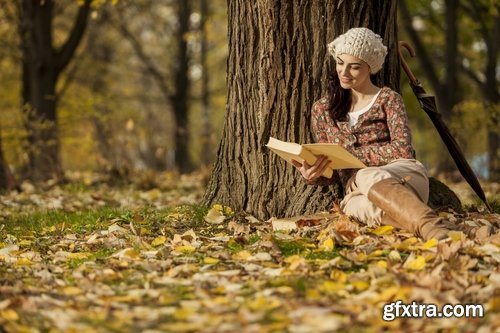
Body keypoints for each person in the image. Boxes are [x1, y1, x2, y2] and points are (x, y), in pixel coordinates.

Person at [291, 27, 498, 242]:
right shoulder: (323, 110)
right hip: (356, 193)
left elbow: (402, 149)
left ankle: (438, 233)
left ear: (369, 68)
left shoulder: (388, 99)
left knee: (365, 174)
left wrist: (353, 156)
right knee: (358, 207)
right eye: (340, 63)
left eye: (354, 67)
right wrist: (314, 175)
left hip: (404, 175)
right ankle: (449, 232)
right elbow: (333, 171)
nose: (344, 72)